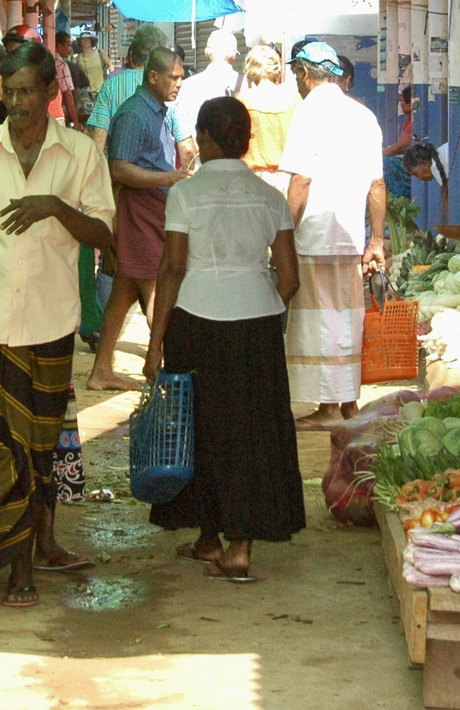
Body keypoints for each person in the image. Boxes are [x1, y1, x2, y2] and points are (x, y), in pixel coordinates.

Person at [0, 43, 115, 613]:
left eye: (25, 94)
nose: (15, 104)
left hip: (50, 323)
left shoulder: (81, 154)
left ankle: (20, 568)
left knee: (36, 452)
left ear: (49, 94)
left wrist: (56, 209)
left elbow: (105, 235)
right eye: (8, 93)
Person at [144, 96, 304, 582]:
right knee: (253, 432)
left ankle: (208, 536)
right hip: (256, 322)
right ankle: (238, 547)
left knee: (202, 430)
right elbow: (291, 278)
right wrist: (263, 305)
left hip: (196, 319)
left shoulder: (186, 195)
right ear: (246, 140)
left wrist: (155, 342)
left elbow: (171, 269)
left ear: (208, 139)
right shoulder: (270, 196)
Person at [279, 41, 385, 428]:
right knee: (347, 318)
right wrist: (376, 241)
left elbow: (301, 182)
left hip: (314, 234)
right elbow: (377, 184)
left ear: (306, 75)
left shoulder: (308, 113)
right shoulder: (363, 115)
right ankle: (349, 403)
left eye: (296, 75)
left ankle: (327, 409)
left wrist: (283, 233)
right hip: (350, 237)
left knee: (318, 320)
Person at [91, 48, 190, 392]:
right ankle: (172, 369)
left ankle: (101, 368)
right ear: (153, 77)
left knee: (124, 292)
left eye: (180, 77)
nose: (179, 83)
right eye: (173, 77)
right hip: (139, 210)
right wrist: (168, 179)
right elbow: (118, 168)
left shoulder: (160, 111)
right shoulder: (134, 114)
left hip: (151, 208)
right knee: (156, 292)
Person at [86, 25, 193, 166]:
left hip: (119, 183)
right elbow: (187, 148)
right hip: (161, 181)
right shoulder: (168, 87)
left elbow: (99, 137)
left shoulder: (111, 84)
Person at [236, 45, 299, 190]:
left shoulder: (242, 100)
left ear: (250, 69)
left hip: (251, 179)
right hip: (287, 179)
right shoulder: (294, 98)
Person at [171, 29, 239, 139]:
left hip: (199, 153)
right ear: (234, 55)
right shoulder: (246, 84)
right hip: (235, 154)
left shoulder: (188, 86)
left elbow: (181, 130)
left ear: (206, 53)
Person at [56, 30, 94, 123]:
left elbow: (74, 93)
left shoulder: (65, 65)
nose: (70, 49)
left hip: (83, 93)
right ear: (60, 46)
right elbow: (68, 94)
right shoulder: (62, 65)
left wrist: (75, 117)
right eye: (68, 46)